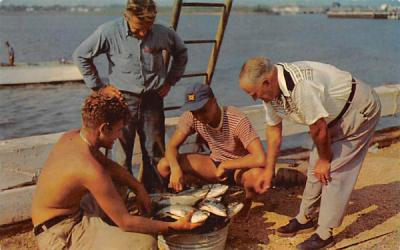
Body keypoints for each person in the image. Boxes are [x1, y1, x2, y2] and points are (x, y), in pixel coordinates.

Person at [239, 57, 381, 249]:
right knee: (316, 167)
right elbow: (273, 130)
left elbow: (318, 129)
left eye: (254, 94)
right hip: (331, 117)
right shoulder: (270, 89)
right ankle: (305, 218)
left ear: (266, 82)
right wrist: (269, 169)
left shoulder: (301, 87)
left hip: (358, 109)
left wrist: (324, 159)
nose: (254, 98)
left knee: (333, 171)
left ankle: (325, 234)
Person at [31, 92, 201, 250]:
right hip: (60, 234)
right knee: (145, 243)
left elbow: (109, 166)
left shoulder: (72, 136)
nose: (120, 135)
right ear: (104, 128)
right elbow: (126, 223)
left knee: (120, 182)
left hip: (70, 212)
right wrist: (173, 227)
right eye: (119, 130)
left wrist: (138, 187)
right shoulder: (89, 169)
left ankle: (108, 230)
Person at [72, 0, 188, 193]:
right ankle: (121, 200)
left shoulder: (162, 32)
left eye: (147, 27)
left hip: (153, 100)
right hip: (121, 101)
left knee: (155, 152)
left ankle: (155, 197)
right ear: (126, 16)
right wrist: (99, 88)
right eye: (137, 28)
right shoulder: (107, 31)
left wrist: (170, 81)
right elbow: (81, 56)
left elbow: (181, 53)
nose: (143, 33)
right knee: (121, 155)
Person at [157, 83, 266, 215]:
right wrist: (175, 169)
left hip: (240, 168)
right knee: (164, 165)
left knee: (257, 177)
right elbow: (172, 146)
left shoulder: (236, 119)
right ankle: (191, 199)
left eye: (202, 110)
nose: (198, 116)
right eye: (194, 111)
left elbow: (260, 157)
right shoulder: (191, 117)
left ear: (214, 102)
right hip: (214, 165)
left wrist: (226, 165)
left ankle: (248, 200)